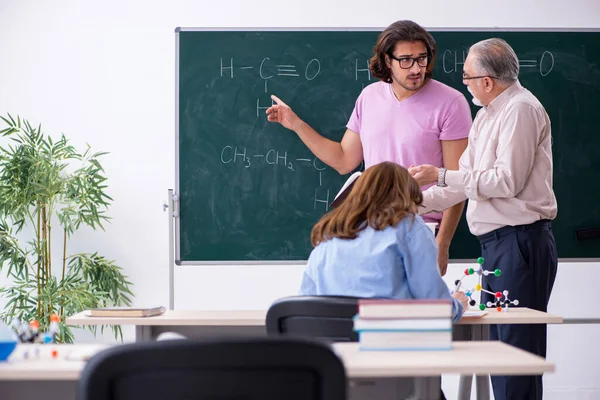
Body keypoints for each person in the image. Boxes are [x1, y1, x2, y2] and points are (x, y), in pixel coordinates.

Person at [409, 38, 558, 400]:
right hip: (497, 246)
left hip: (519, 242)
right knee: (500, 354)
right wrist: (409, 203)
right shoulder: (487, 114)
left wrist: (439, 174)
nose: (465, 83)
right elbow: (466, 184)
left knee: (515, 356)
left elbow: (504, 182)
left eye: (467, 77)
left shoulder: (520, 110)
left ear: (487, 81)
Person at [267, 20, 473, 276]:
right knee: (371, 311)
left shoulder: (451, 103)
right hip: (371, 228)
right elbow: (343, 160)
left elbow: (458, 181)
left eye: (422, 59)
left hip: (420, 228)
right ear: (388, 60)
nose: (416, 68)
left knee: (416, 312)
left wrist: (443, 243)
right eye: (406, 60)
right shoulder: (369, 97)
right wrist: (296, 124)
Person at [299, 161, 468, 323]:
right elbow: (435, 306)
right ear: (407, 194)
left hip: (334, 348)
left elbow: (306, 306)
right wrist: (457, 305)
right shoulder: (409, 226)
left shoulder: (329, 235)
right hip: (388, 344)